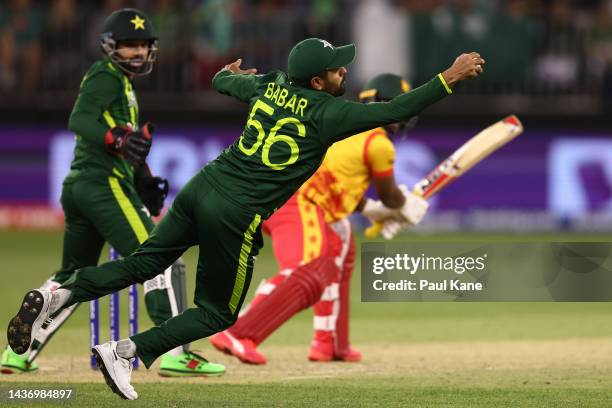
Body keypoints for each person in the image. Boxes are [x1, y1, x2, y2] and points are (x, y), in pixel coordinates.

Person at [7, 37, 484, 399]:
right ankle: (126, 353)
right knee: (217, 312)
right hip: (235, 211)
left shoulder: (270, 85)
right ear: (317, 82)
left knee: (141, 266)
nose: (344, 72)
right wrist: (450, 77)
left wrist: (229, 72)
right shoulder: (330, 113)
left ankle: (58, 294)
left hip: (201, 186)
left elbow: (222, 81)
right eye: (337, 69)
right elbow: (399, 108)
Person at [2, 8, 224, 378]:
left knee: (76, 274)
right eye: (129, 45)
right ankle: (171, 353)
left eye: (142, 45)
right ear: (110, 47)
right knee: (159, 254)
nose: (137, 52)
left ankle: (17, 354)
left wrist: (146, 181)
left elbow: (127, 147)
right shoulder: (105, 76)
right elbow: (81, 119)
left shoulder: (122, 86)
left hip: (81, 187)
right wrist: (118, 138)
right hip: (103, 185)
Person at [209, 73, 425, 365]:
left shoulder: (343, 124)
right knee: (307, 270)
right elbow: (390, 197)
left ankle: (331, 343)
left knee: (341, 244)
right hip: (297, 203)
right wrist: (404, 205)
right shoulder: (379, 143)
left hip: (289, 198)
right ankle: (237, 332)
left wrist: (372, 210)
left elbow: (339, 184)